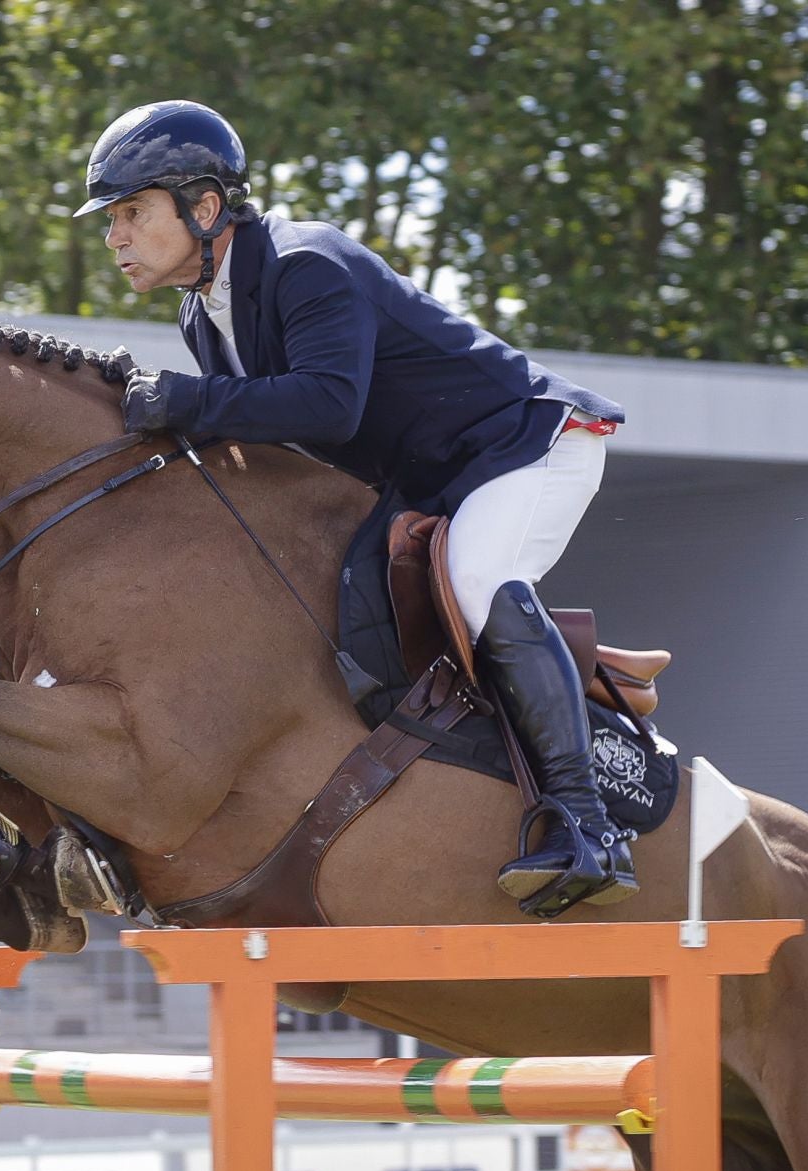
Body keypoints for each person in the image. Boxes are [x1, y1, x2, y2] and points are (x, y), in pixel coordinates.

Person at [77, 100, 638, 913]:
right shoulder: (204, 313)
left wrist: (188, 402)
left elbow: (328, 406)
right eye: (111, 219)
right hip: (432, 477)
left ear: (204, 208)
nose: (115, 236)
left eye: (132, 212)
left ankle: (588, 829)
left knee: (479, 579)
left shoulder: (307, 263)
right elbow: (262, 435)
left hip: (525, 444)